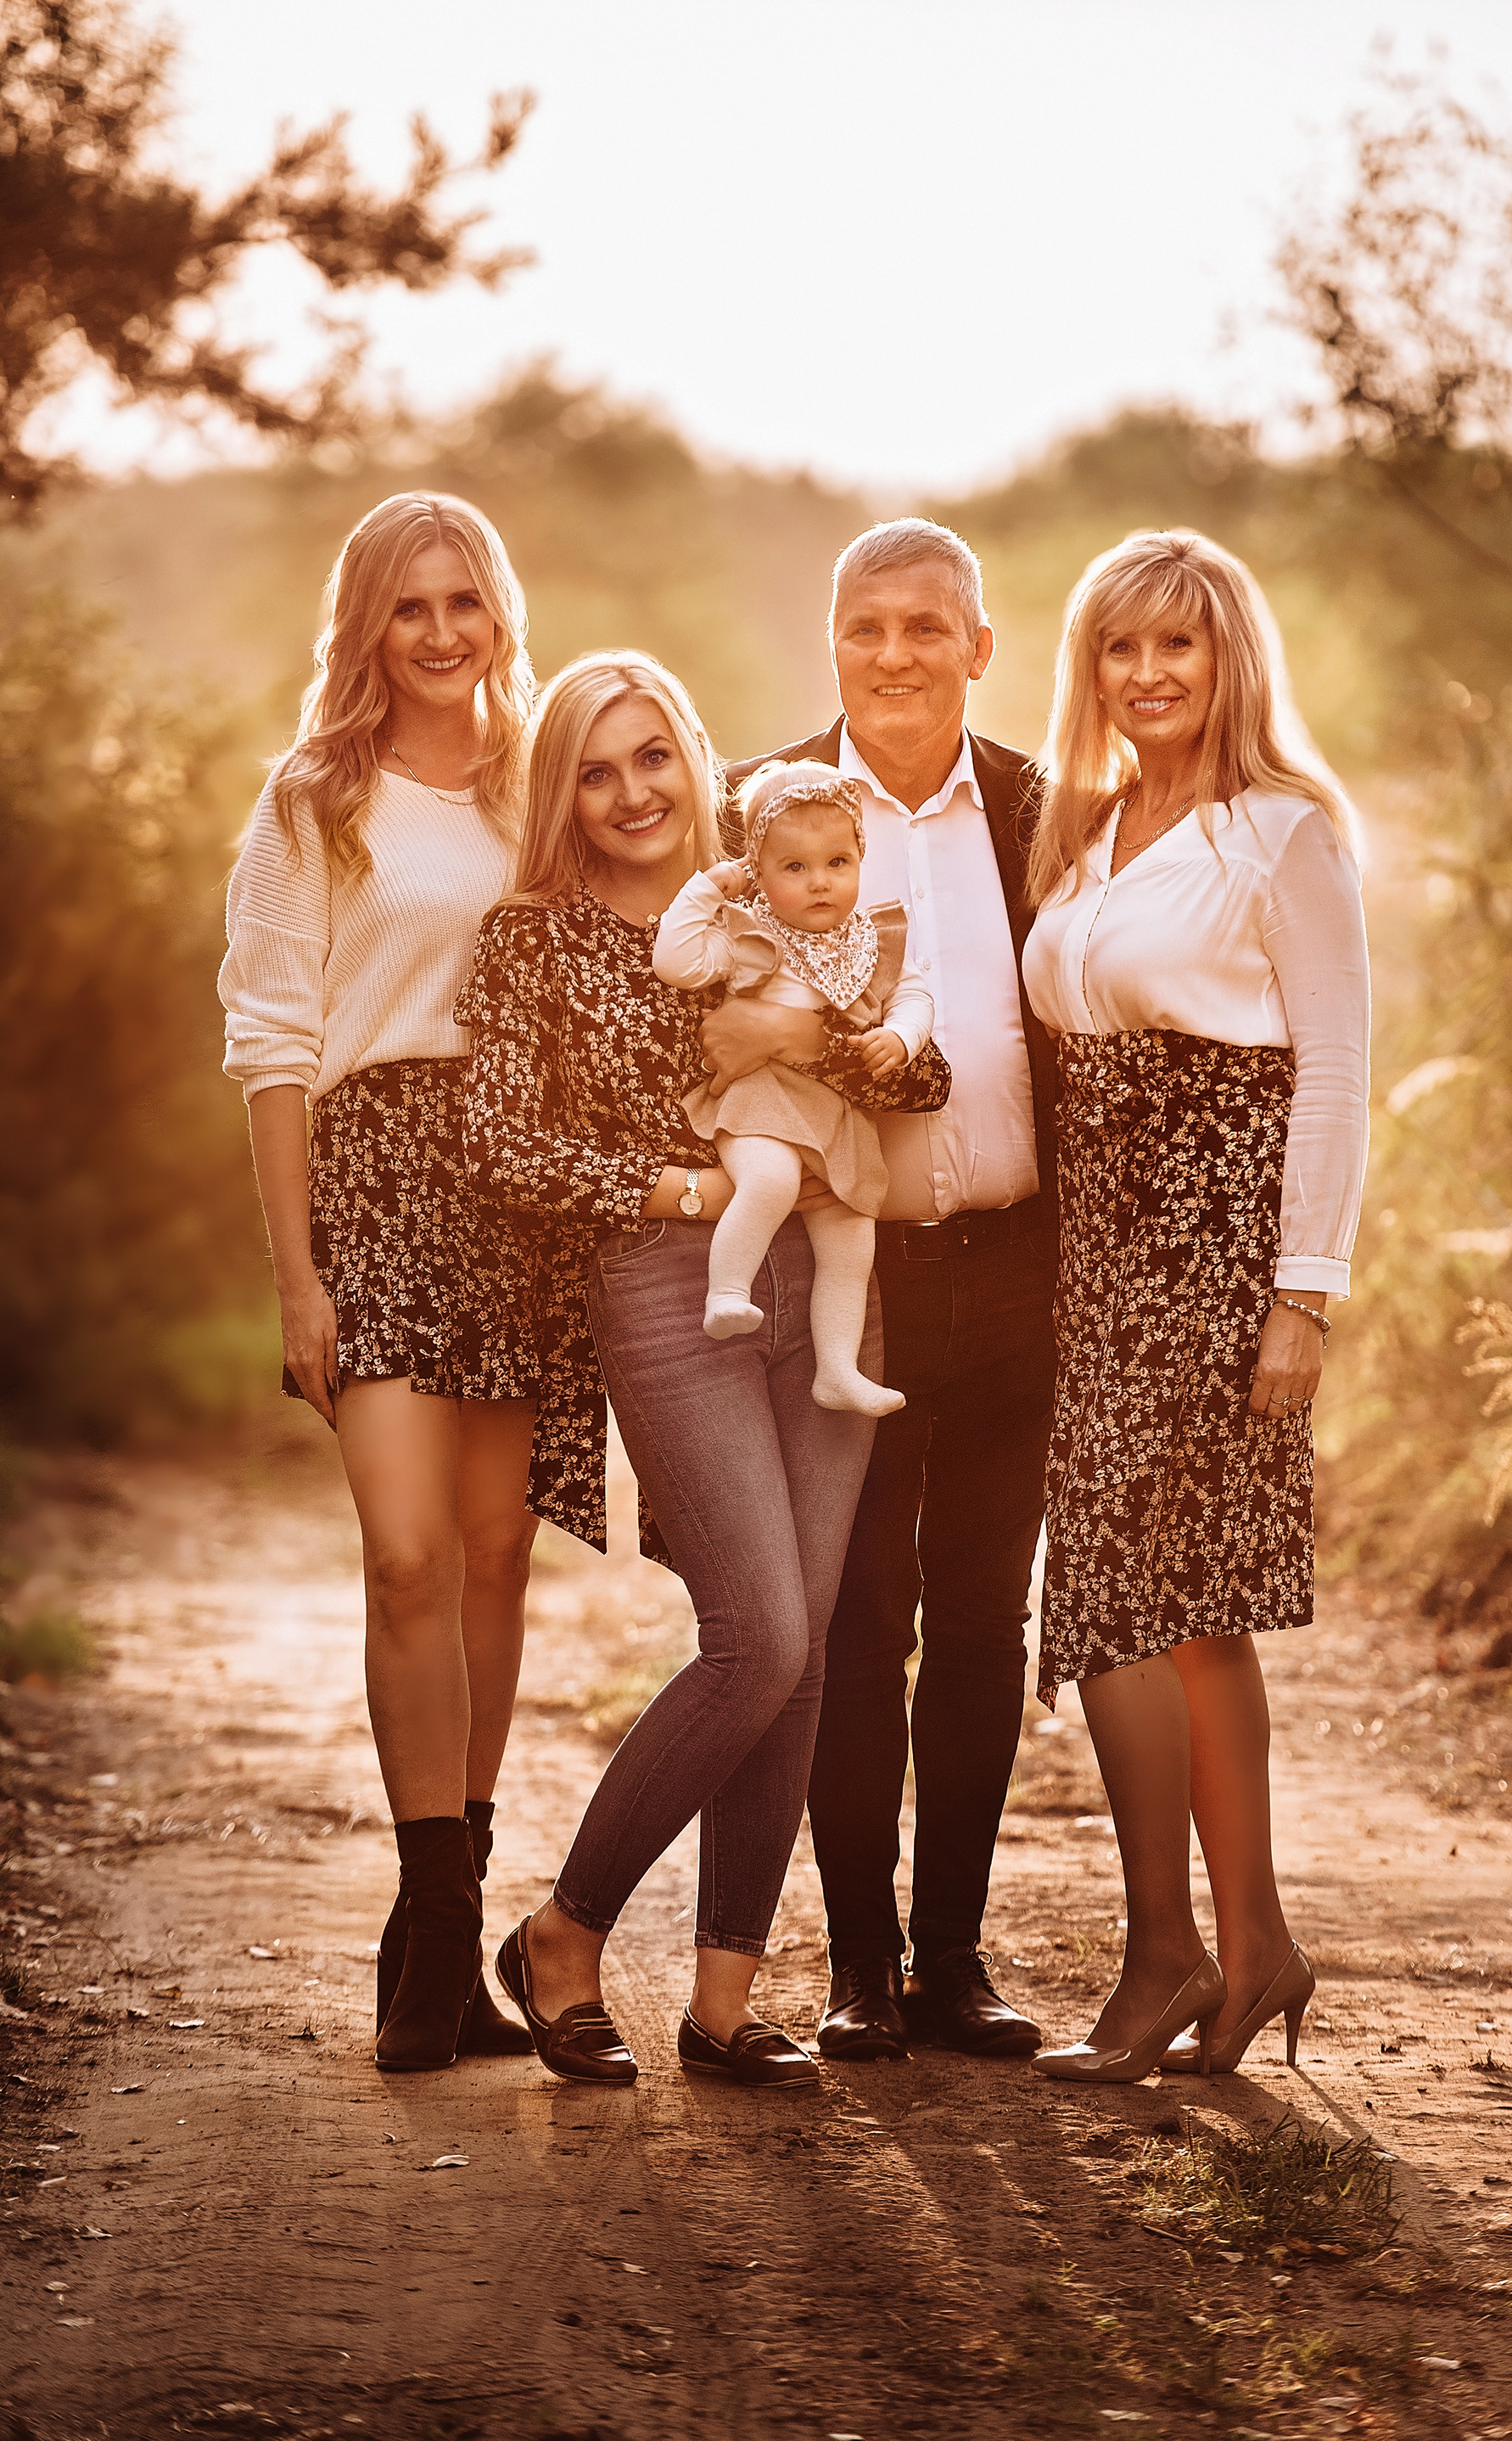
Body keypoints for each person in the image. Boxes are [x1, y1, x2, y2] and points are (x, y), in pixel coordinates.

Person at [455, 650, 952, 2089]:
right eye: (595, 771)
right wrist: (686, 1191)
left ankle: (723, 2001)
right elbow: (503, 1145)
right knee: (761, 1637)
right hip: (674, 1286)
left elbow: (922, 1075)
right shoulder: (533, 942)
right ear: (562, 794)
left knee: (804, 1648)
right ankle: (563, 1933)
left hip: (830, 1275)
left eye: (652, 757)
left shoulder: (796, 884)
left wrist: (811, 1033)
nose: (630, 793)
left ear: (696, 759)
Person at [1021, 528, 1369, 2085]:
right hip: (1100, 1254)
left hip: (1220, 1252)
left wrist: (1305, 1295)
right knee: (1192, 1613)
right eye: (1122, 646)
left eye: (1181, 644)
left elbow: (1336, 1072)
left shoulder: (1282, 833)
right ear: (1088, 665)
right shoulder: (1084, 829)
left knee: (1115, 1604)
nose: (1150, 673)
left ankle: (1166, 1952)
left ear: (1232, 658)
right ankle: (1258, 1946)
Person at [714, 519, 1057, 2062]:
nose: (897, 654)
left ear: (979, 647)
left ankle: (955, 1959)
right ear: (834, 644)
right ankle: (860, 1960)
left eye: (929, 627)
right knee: (857, 1623)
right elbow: (689, 1017)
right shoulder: (766, 807)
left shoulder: (1051, 809)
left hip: (1020, 1265)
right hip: (841, 1276)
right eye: (868, 626)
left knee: (985, 1619)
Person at [218, 491, 543, 2073]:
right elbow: (272, 1046)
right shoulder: (314, 800)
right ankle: (431, 1933)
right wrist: (300, 1280)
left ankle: (447, 1943)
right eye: (408, 605)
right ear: (367, 624)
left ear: (498, 614)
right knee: (408, 1558)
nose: (439, 632)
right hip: (377, 1185)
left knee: (495, 1559)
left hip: (524, 1198)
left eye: (462, 601)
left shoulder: (541, 779)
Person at [652, 759, 934, 1414]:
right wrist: (710, 888)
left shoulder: (873, 941)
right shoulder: (748, 935)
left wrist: (902, 1037)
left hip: (835, 1115)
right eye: (794, 867)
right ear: (758, 870)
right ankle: (728, 1290)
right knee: (771, 1181)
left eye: (838, 862)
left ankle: (837, 1369)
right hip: (760, 1100)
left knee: (851, 1234)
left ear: (860, 859)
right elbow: (676, 961)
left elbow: (914, 995)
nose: (820, 882)